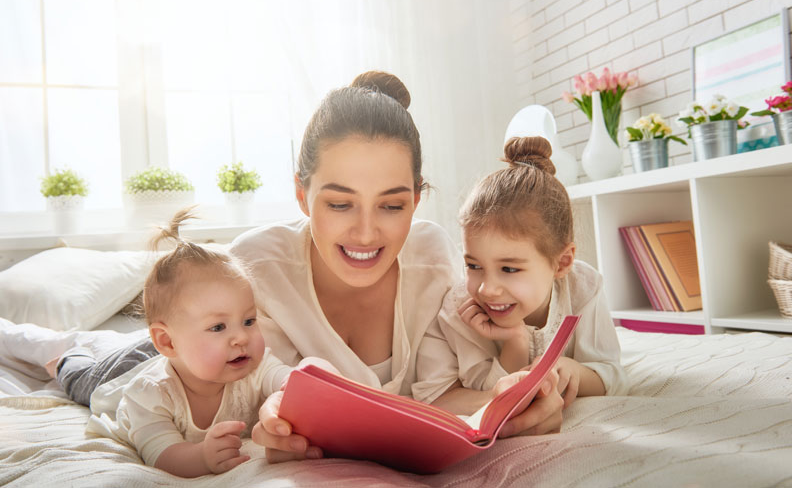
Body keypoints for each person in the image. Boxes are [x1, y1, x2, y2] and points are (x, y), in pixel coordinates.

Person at [230, 71, 565, 462]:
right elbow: (244, 392)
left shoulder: (432, 255)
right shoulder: (255, 267)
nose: (366, 233)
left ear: (417, 198)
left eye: (392, 206)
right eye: (339, 204)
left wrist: (512, 407)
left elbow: (443, 392)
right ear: (302, 196)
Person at [61, 208, 335, 477]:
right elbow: (161, 453)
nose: (241, 337)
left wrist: (303, 383)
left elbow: (290, 380)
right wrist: (202, 457)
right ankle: (67, 357)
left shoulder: (256, 366)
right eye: (218, 327)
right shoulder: (150, 395)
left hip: (161, 357)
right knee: (80, 379)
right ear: (167, 342)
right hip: (112, 383)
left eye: (249, 321)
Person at [413, 136, 628, 410]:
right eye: (474, 265)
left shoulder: (583, 287)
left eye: (509, 269)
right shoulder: (457, 310)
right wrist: (515, 342)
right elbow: (442, 398)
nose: (486, 289)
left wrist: (574, 371)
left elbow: (613, 373)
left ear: (562, 262)